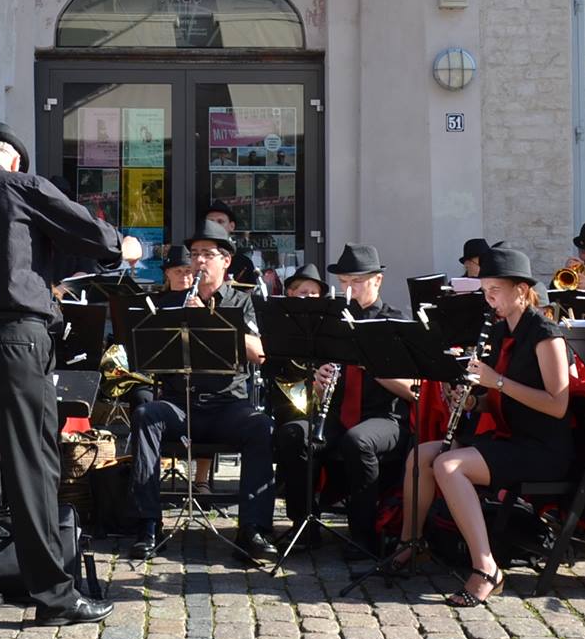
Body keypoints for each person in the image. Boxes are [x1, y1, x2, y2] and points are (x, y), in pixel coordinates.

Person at [0, 122, 138, 624]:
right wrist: (123, 245)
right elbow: (90, 233)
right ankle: (54, 597)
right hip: (17, 340)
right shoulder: (24, 187)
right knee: (33, 464)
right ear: (15, 161)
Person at [426, 244, 575, 607]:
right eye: (485, 291)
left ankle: (486, 567)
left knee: (449, 465)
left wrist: (498, 383)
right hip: (512, 438)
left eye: (494, 291)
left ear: (521, 291)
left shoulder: (545, 334)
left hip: (544, 448)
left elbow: (558, 405)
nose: (488, 299)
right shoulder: (499, 330)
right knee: (423, 455)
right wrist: (473, 399)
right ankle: (408, 547)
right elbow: (496, 396)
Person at [126, 219, 277, 564]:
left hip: (228, 405)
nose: (199, 262)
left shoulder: (242, 301)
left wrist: (211, 323)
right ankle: (148, 524)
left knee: (261, 426)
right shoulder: (172, 301)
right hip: (180, 403)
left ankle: (253, 529)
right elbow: (147, 354)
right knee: (146, 415)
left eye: (208, 254)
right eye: (195, 254)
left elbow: (259, 352)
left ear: (226, 261)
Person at [272, 245, 417, 552]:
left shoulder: (396, 322)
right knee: (293, 434)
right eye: (344, 282)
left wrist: (374, 366)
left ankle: (364, 534)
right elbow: (318, 388)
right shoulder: (333, 322)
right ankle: (304, 525)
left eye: (356, 281)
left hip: (386, 418)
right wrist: (320, 383)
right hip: (339, 416)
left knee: (358, 441)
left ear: (377, 281)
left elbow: (414, 389)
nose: (348, 289)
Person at [200, 200, 264, 286]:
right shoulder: (196, 259)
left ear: (232, 226)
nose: (214, 226)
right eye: (211, 222)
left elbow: (250, 294)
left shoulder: (244, 263)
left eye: (220, 222)